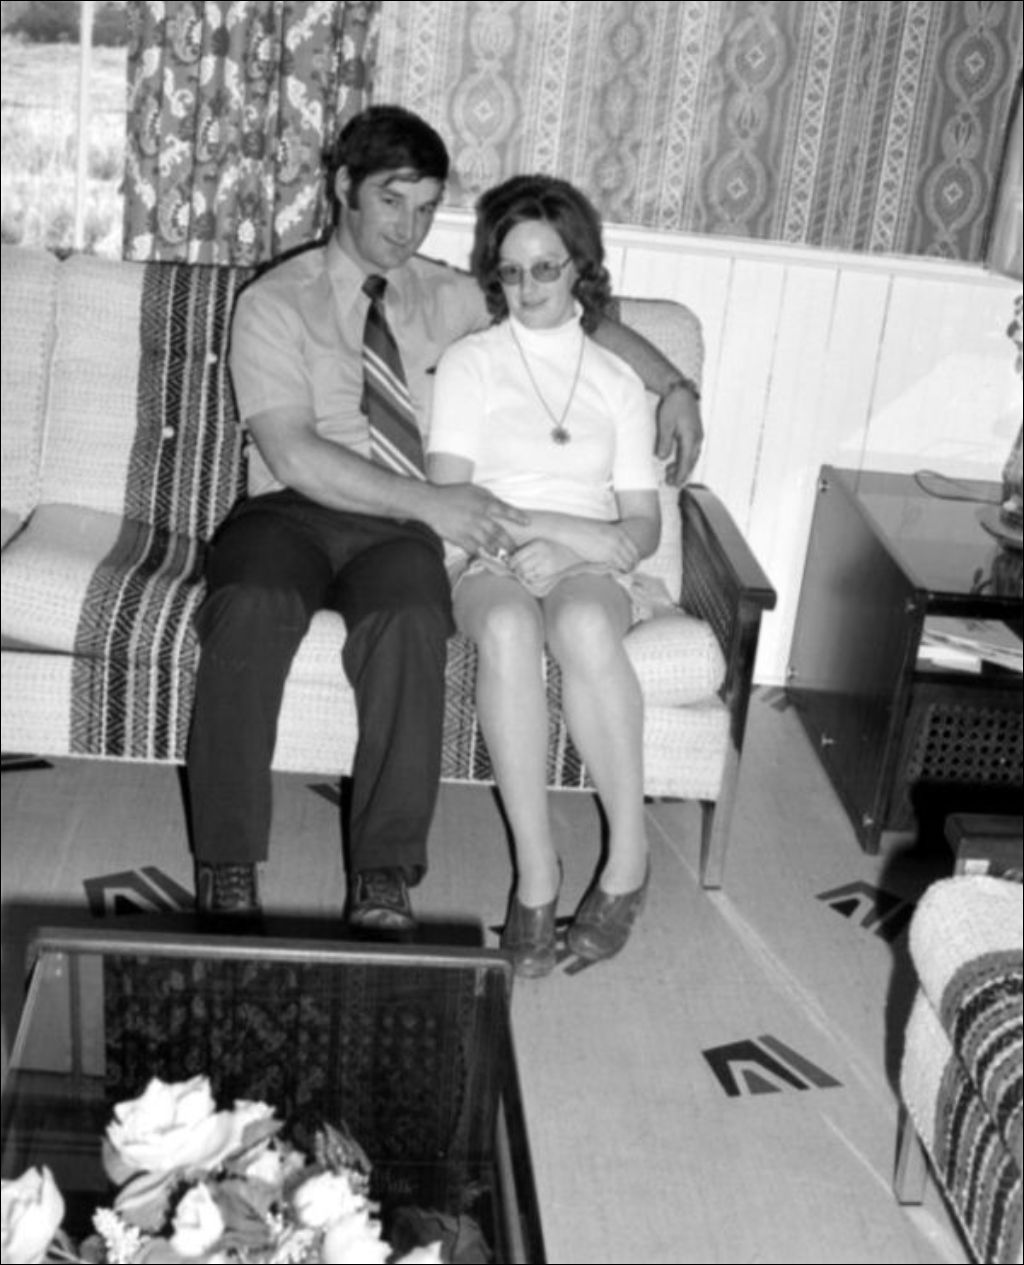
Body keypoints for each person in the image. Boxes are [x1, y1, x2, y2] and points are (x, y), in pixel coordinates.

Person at [186, 105, 703, 937]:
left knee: (410, 618)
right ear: (343, 187)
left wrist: (674, 385)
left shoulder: (451, 296)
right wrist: (437, 504)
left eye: (427, 208)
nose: (408, 227)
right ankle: (227, 859)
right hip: (292, 512)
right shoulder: (273, 301)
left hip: (400, 532)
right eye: (392, 200)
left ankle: (384, 873)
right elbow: (292, 452)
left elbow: (579, 320)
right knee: (250, 603)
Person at [427, 175, 665, 973]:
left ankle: (628, 859)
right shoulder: (471, 364)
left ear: (580, 267)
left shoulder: (618, 381)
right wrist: (549, 534)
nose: (527, 288)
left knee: (585, 621)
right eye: (510, 271)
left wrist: (576, 548)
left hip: (587, 561)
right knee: (506, 623)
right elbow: (452, 495)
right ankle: (537, 873)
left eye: (546, 268)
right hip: (485, 547)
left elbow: (643, 526)